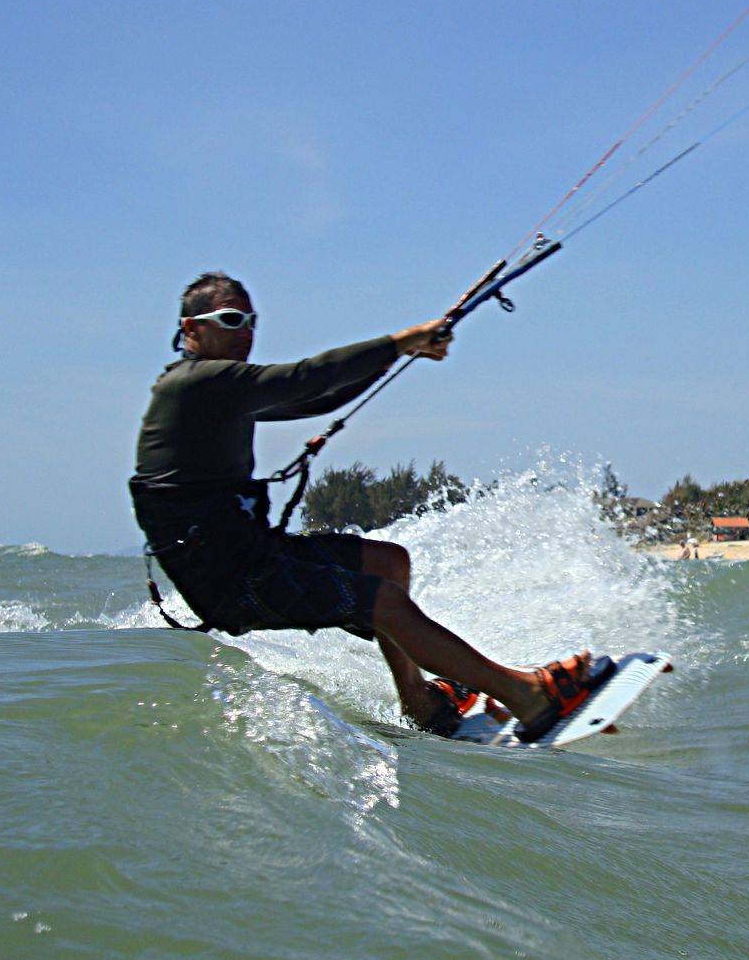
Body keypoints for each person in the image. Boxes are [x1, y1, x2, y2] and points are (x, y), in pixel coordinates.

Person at [129, 271, 608, 741]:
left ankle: (420, 703)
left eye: (252, 321)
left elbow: (318, 398)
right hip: (231, 581)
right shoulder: (191, 385)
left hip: (254, 553)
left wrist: (398, 357)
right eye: (232, 320)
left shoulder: (220, 392)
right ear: (192, 329)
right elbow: (304, 378)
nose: (247, 332)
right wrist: (402, 341)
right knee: (383, 602)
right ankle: (526, 696)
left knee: (388, 563)